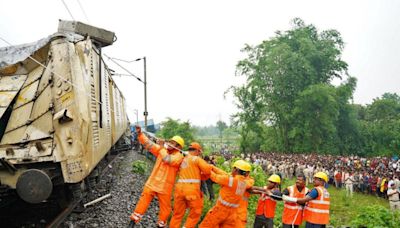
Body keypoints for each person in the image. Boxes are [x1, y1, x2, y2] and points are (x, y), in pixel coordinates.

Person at [128, 126, 184, 228]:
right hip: (153, 183)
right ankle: (132, 222)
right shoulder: (162, 150)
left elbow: (168, 160)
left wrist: (162, 147)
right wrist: (140, 134)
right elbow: (148, 144)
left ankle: (160, 225)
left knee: (165, 209)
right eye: (170, 141)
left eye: (173, 143)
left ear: (179, 147)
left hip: (164, 188)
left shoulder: (179, 157)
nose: (170, 143)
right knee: (142, 203)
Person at [169, 142, 213, 228]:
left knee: (177, 215)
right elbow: (207, 171)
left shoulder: (182, 159)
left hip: (179, 189)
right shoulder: (196, 159)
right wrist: (209, 168)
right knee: (195, 213)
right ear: (197, 151)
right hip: (191, 190)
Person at [199, 160, 254, 228]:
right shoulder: (245, 183)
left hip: (220, 211)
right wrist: (213, 168)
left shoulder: (229, 180)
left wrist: (205, 168)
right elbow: (225, 174)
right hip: (232, 214)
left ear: (236, 170)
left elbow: (215, 177)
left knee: (206, 226)